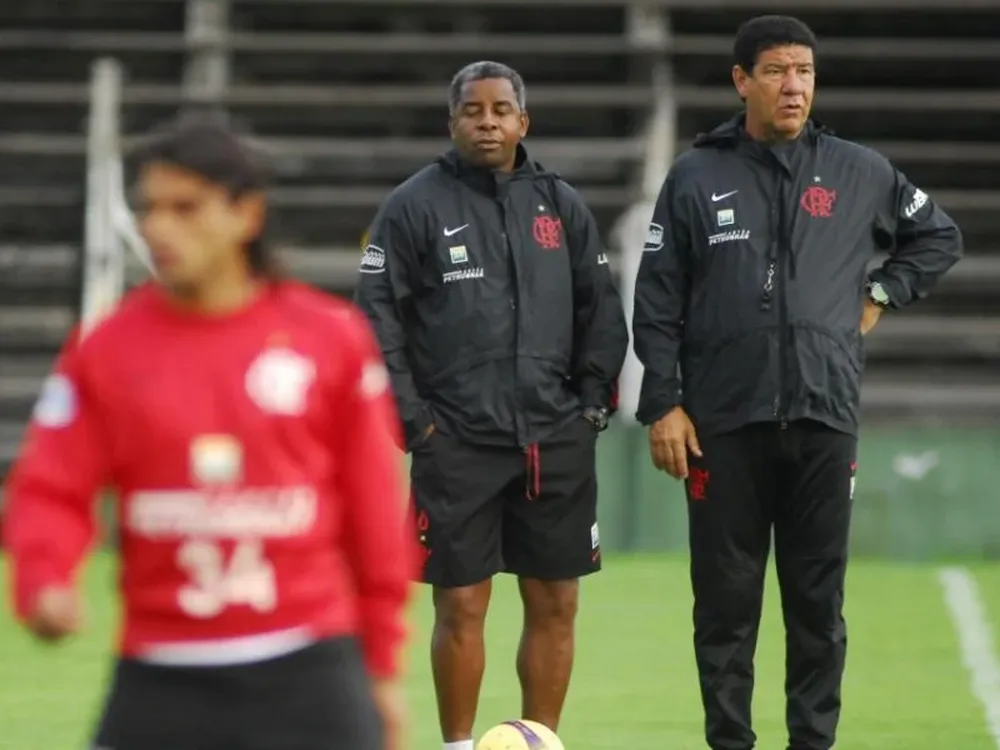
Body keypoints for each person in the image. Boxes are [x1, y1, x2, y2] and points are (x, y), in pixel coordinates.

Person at [2, 114, 412, 750]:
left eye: (185, 207)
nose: (158, 227)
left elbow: (372, 511)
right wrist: (44, 575)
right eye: (151, 207)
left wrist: (382, 667)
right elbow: (51, 485)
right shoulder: (107, 348)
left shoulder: (328, 338)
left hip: (309, 671)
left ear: (246, 214)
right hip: (161, 678)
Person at [632, 15, 962, 750]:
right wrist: (664, 403)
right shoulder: (695, 175)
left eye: (805, 72)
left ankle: (813, 743)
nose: (794, 85)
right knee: (724, 607)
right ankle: (730, 743)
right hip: (721, 421)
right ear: (741, 80)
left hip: (823, 415)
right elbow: (655, 300)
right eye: (778, 70)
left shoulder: (860, 170)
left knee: (818, 606)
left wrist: (882, 293)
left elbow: (940, 236)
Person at [354, 61, 628, 750]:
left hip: (554, 438)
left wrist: (591, 408)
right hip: (457, 442)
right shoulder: (414, 206)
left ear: (522, 121)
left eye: (501, 109)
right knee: (462, 602)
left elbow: (602, 311)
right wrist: (414, 421)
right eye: (472, 111)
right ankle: (455, 745)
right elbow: (375, 318)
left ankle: (541, 741)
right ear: (452, 123)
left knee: (557, 602)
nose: (487, 121)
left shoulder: (560, 204)